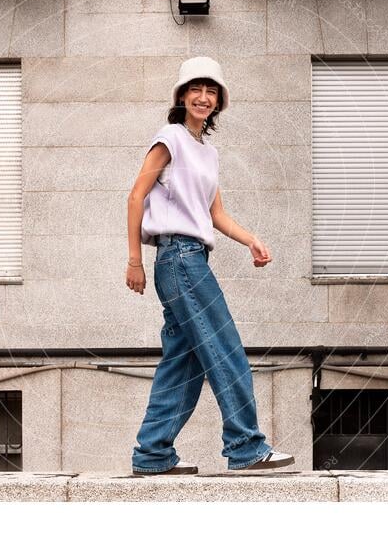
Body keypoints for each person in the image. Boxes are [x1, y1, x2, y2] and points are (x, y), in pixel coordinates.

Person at [125, 56, 295, 475]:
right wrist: (134, 259)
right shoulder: (171, 138)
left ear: (219, 101)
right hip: (178, 258)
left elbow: (215, 214)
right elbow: (135, 196)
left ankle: (152, 453)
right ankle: (246, 446)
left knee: (183, 361)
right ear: (182, 96)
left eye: (211, 91)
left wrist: (251, 238)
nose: (203, 97)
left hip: (191, 258)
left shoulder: (208, 152)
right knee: (225, 348)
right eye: (195, 90)